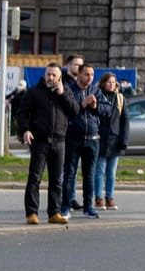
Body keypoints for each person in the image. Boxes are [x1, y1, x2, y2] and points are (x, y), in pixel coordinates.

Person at [18, 64, 77, 224]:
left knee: (57, 179)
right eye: (48, 74)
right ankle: (31, 213)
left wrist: (62, 94)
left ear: (59, 78)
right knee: (35, 178)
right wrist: (25, 130)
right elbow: (22, 113)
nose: (50, 78)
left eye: (54, 75)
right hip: (39, 141)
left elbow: (74, 110)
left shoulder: (66, 91)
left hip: (59, 140)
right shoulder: (34, 92)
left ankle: (54, 213)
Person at [63, 64, 101, 217]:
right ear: (78, 74)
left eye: (92, 74)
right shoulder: (69, 90)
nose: (90, 77)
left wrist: (95, 106)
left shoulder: (96, 90)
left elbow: (106, 110)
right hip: (74, 137)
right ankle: (65, 206)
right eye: (86, 74)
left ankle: (88, 207)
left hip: (92, 138)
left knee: (89, 174)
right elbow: (67, 110)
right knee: (70, 173)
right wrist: (83, 104)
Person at [91, 69, 125, 210]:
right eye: (108, 82)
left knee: (111, 172)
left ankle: (109, 197)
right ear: (103, 83)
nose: (111, 85)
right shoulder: (97, 96)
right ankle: (98, 198)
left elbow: (125, 122)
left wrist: (124, 141)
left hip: (115, 140)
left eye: (113, 82)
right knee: (99, 171)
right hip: (100, 139)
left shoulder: (120, 98)